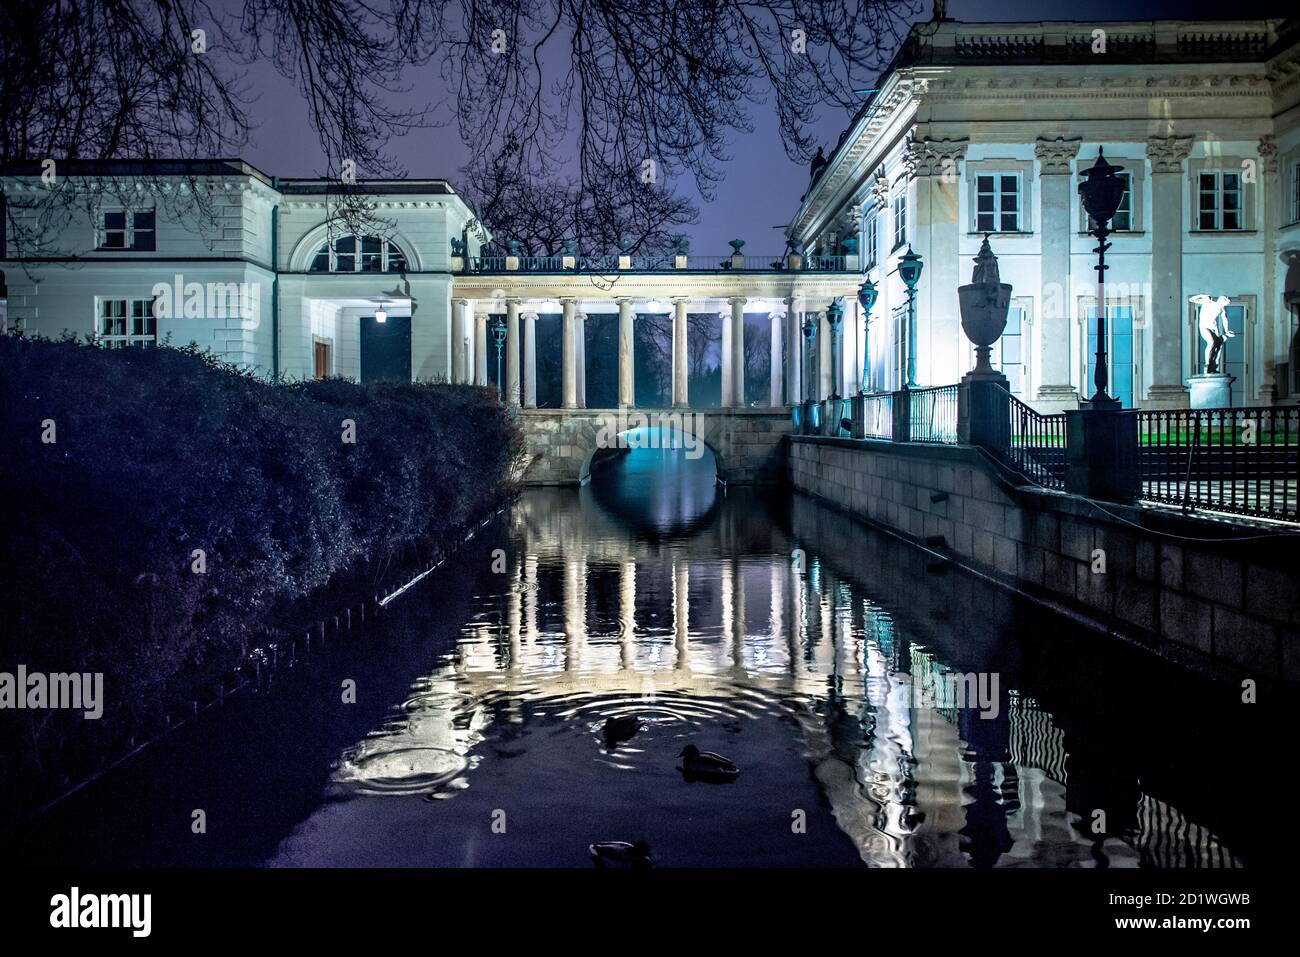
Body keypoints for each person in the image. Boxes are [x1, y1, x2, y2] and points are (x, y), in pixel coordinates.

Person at [1189, 294, 1234, 374]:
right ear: (1221, 301)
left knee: (1218, 346)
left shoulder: (1221, 308)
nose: (1226, 305)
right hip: (1204, 327)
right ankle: (1207, 364)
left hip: (1213, 328)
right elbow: (1191, 300)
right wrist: (1202, 295)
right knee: (1211, 342)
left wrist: (1226, 331)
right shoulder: (1208, 302)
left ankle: (1213, 364)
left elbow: (1225, 319)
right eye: (1226, 303)